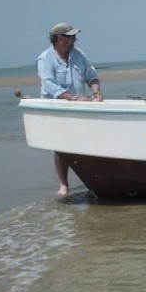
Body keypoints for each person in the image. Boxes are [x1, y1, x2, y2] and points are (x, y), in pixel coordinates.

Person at [36, 23, 104, 195]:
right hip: (57, 107)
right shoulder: (45, 59)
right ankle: (63, 185)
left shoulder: (79, 55)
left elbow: (91, 76)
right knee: (62, 147)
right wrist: (73, 98)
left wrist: (96, 93)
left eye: (74, 36)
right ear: (59, 38)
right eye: (71, 36)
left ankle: (95, 180)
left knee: (89, 142)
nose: (75, 39)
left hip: (80, 107)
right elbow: (50, 85)